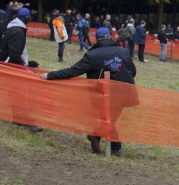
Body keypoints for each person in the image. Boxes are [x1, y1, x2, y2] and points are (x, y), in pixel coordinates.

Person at [41, 26, 137, 155]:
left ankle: (98, 137)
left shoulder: (93, 55)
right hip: (124, 93)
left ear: (97, 39)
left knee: (109, 119)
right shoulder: (124, 52)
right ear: (110, 36)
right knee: (110, 118)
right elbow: (133, 72)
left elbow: (73, 71)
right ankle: (114, 147)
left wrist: (50, 75)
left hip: (103, 94)